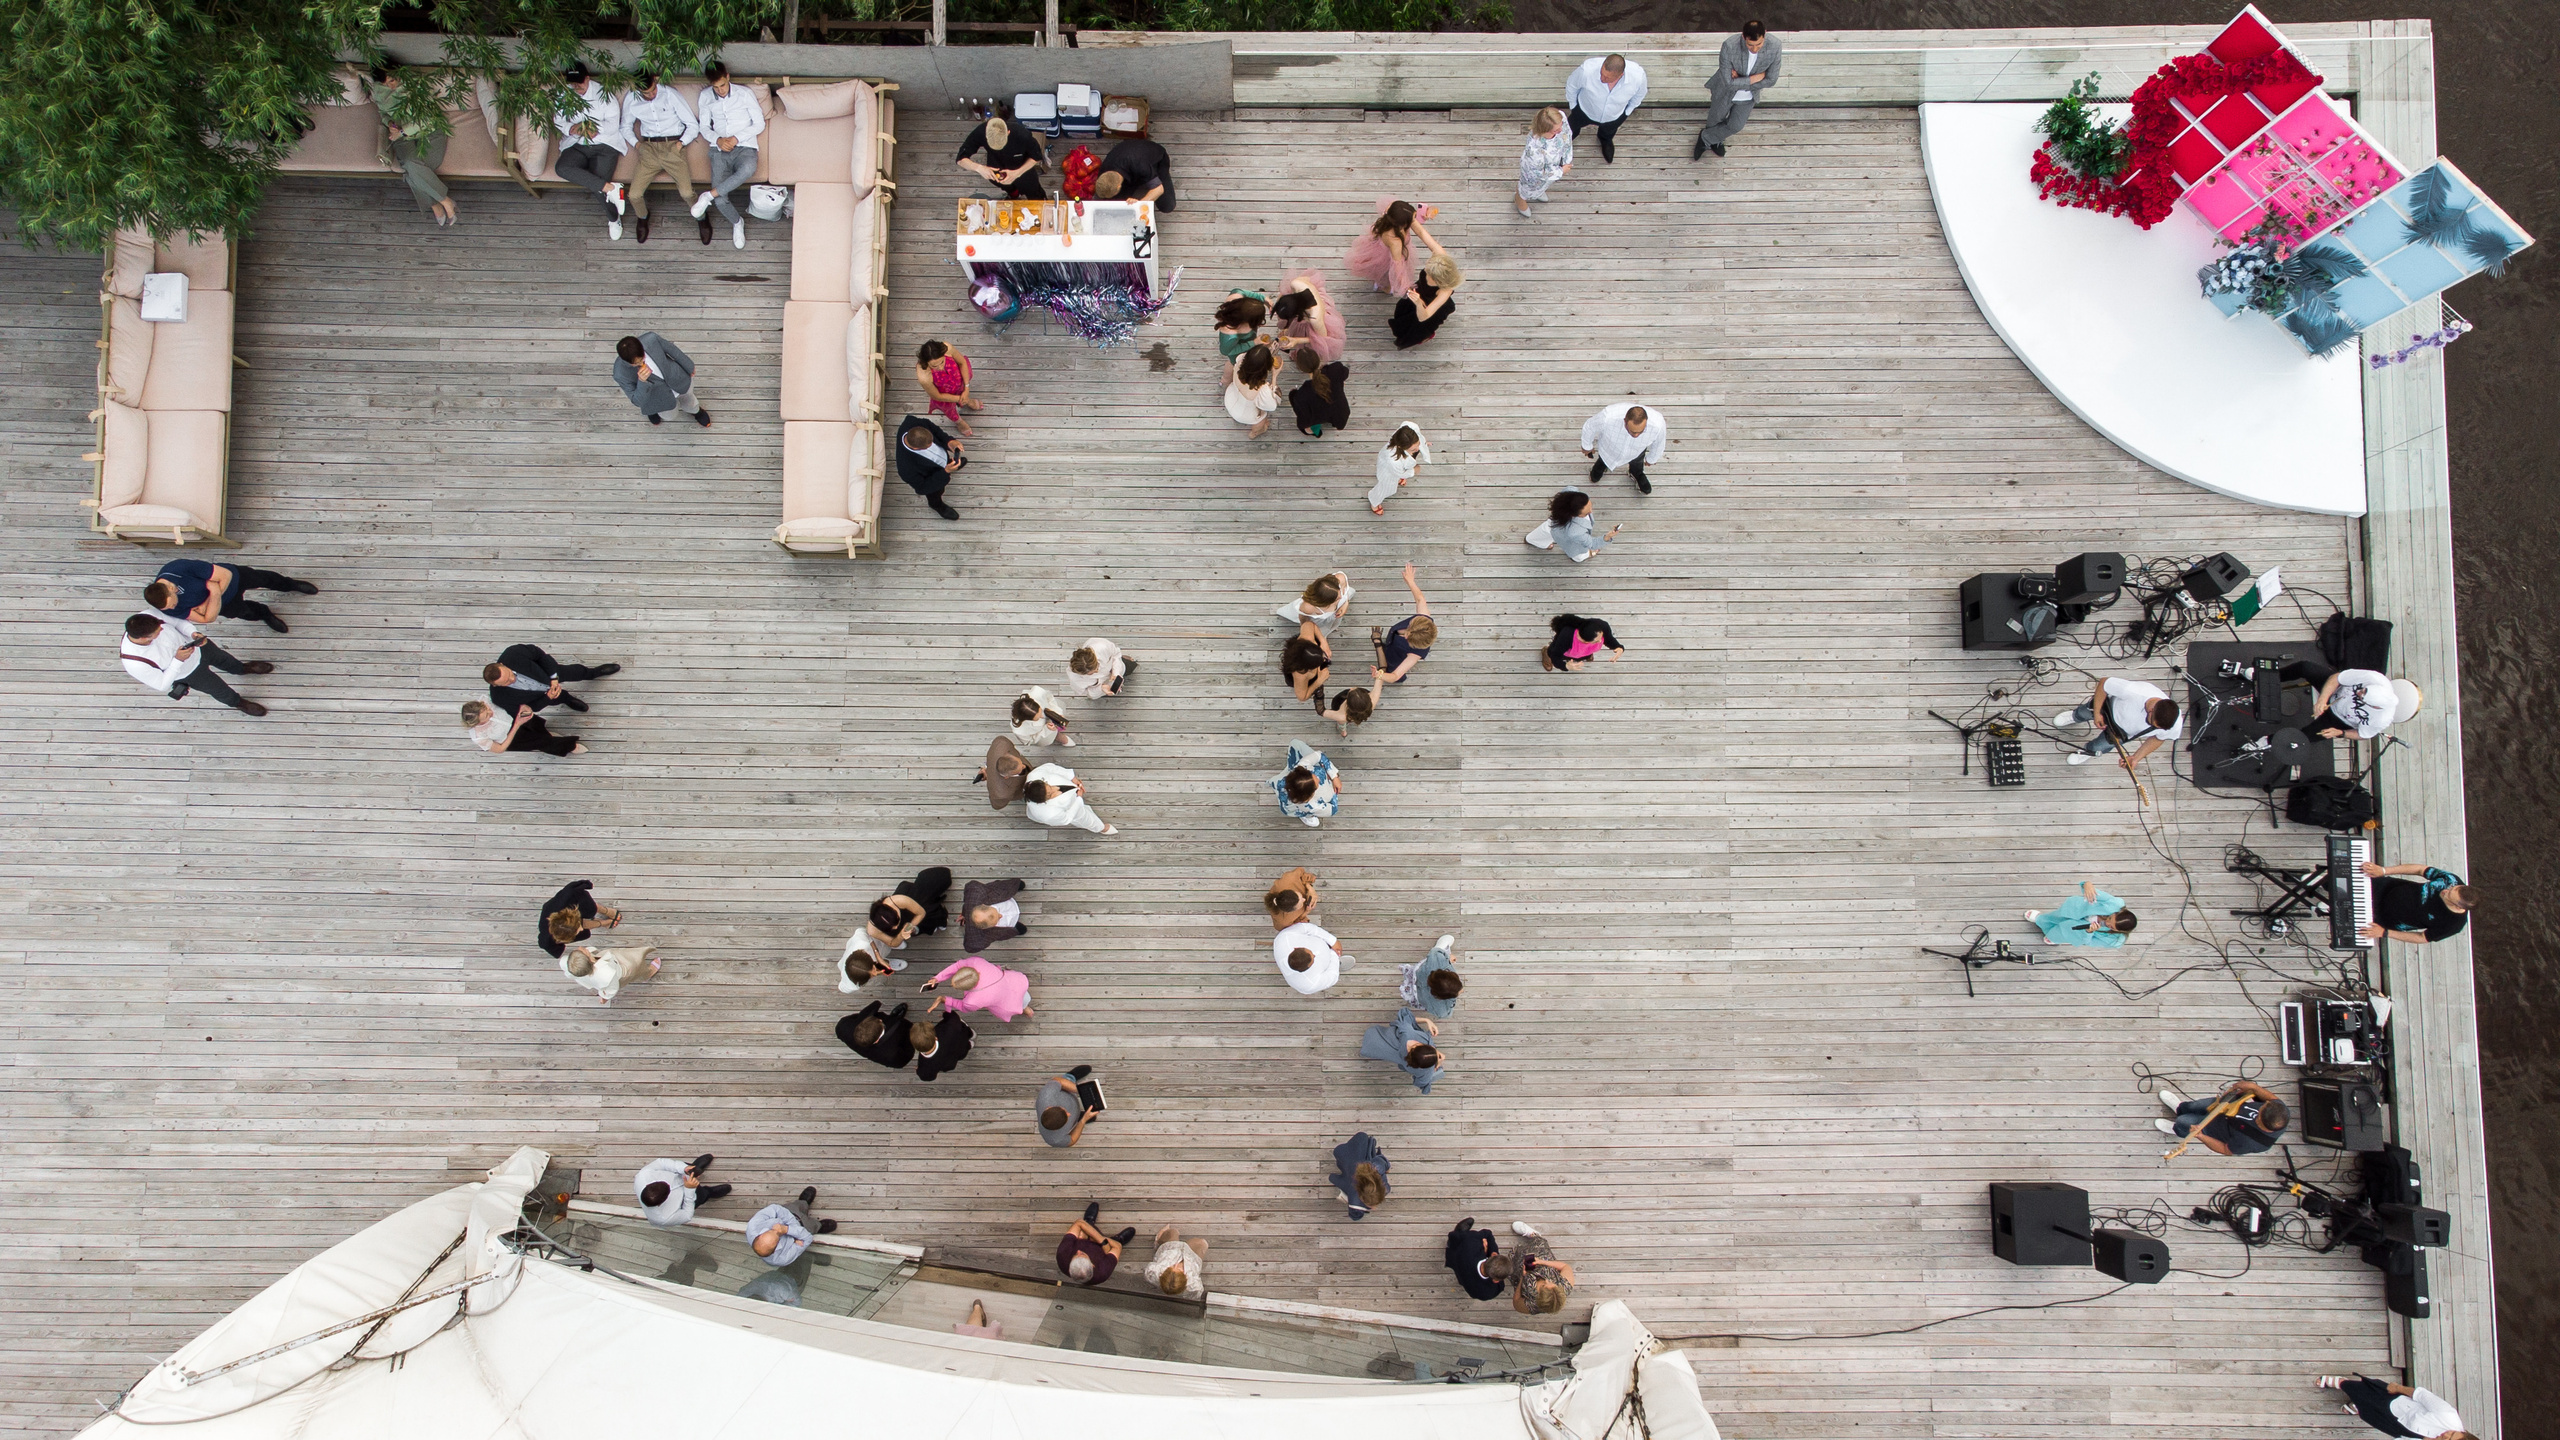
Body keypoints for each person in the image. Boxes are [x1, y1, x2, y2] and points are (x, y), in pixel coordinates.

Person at [363, 62, 458, 226]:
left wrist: (401, 131)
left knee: (411, 168)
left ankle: (438, 203)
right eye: (385, 83)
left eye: (392, 80)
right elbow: (383, 113)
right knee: (412, 165)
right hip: (402, 136)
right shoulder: (379, 91)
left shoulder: (416, 85)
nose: (390, 86)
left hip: (429, 132)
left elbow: (428, 118)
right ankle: (443, 202)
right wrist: (390, 123)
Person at [120, 613, 270, 716]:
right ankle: (239, 703)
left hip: (199, 647)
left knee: (225, 659)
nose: (162, 630)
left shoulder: (151, 616)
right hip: (189, 674)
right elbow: (161, 684)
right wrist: (178, 660)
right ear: (143, 638)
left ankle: (242, 668)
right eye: (157, 632)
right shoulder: (134, 662)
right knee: (219, 689)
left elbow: (178, 621)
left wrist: (193, 633)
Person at [617, 72, 701, 243]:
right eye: (646, 93)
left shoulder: (670, 94)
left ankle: (701, 216)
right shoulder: (632, 98)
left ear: (655, 81)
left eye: (653, 90)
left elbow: (692, 124)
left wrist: (680, 144)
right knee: (633, 195)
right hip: (648, 148)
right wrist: (638, 145)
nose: (651, 95)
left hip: (673, 146)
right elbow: (625, 126)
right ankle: (643, 217)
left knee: (686, 192)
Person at [690, 61, 764, 249]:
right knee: (721, 200)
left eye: (722, 85)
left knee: (749, 168)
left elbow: (759, 124)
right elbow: (704, 127)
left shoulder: (744, 94)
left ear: (728, 77)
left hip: (744, 146)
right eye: (716, 87)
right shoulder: (705, 97)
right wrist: (718, 140)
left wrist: (736, 138)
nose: (721, 91)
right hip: (719, 149)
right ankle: (737, 222)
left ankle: (708, 196)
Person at [552, 65, 631, 239]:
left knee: (597, 186)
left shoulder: (604, 94)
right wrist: (571, 128)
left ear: (587, 78)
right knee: (562, 168)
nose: (576, 87)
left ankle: (613, 218)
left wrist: (595, 129)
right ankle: (611, 189)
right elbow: (558, 120)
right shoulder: (564, 94)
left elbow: (613, 124)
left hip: (605, 144)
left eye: (579, 83)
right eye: (573, 84)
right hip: (578, 144)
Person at [144, 558, 317, 635]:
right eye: (168, 609)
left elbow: (225, 575)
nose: (173, 609)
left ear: (172, 588)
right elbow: (207, 619)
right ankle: (265, 614)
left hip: (235, 578)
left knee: (264, 579)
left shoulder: (178, 569)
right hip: (223, 603)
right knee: (248, 613)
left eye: (172, 605)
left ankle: (290, 584)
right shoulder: (166, 607)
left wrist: (206, 606)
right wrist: (214, 591)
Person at [1695, 22, 1782, 160]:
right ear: (1743, 37)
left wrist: (1740, 80)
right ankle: (1714, 140)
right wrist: (1754, 79)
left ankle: (1706, 138)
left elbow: (1772, 80)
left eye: (1759, 44)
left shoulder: (1775, 46)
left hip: (1748, 97)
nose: (1755, 49)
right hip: (1724, 91)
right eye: (1750, 45)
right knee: (1715, 119)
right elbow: (1728, 83)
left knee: (1736, 125)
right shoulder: (1729, 45)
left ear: (1765, 34)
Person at [2056, 677, 2182, 768]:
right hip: (2106, 710)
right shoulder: (2133, 691)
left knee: (2098, 747)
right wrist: (2097, 713)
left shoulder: (2173, 724)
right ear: (2150, 710)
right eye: (2151, 723)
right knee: (2083, 712)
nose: (2152, 727)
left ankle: (2086, 752)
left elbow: (2159, 738)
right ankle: (2074, 717)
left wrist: (2136, 757)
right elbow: (2104, 683)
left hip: (2120, 734)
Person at [2155, 1080, 2288, 1155]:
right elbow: (2272, 1099)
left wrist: (2202, 1136)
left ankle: (2176, 1129)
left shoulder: (2251, 1143)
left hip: (2213, 1128)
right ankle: (2179, 1107)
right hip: (2224, 1105)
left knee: (2184, 1122)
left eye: (2261, 1111)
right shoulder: (2280, 1111)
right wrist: (2253, 1087)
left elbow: (2226, 1149)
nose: (2261, 1106)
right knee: (2194, 1106)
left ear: (2260, 1121)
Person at [2314, 1375, 2470, 1438]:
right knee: (2362, 1391)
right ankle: (2343, 1383)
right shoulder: (2448, 1415)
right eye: (2451, 1434)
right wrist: (2398, 1388)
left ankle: (2358, 1407)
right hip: (2398, 1405)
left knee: (2369, 1415)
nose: (2445, 1436)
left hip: (2397, 1428)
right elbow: (2421, 1395)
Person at [485, 645, 619, 716]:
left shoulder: (513, 653)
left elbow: (539, 654)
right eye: (507, 682)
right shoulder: (500, 698)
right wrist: (548, 698)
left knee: (576, 672)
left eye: (510, 674)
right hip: (543, 696)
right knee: (559, 698)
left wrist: (553, 677)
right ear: (495, 685)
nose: (513, 679)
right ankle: (568, 700)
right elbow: (528, 709)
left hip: (548, 672)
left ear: (502, 664)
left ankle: (594, 672)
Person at [2362, 862, 2476, 944]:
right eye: (2451, 889)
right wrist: (2383, 870)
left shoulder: (2454, 924)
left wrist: (2384, 933)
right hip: (2385, 888)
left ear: (2457, 906)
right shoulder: (2451, 880)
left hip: (2382, 920)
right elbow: (2421, 870)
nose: (2445, 891)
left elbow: (2422, 937)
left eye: (2448, 896)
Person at [614, 332, 711, 428]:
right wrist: (642, 382)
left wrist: (689, 366)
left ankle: (697, 412)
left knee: (690, 400)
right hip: (657, 397)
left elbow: (672, 350)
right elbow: (637, 401)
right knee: (670, 415)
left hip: (677, 378)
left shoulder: (651, 339)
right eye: (636, 363)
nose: (642, 363)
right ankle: (652, 411)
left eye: (642, 357)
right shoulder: (620, 373)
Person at [1564, 53, 1647, 164]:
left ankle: (1605, 140)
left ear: (1620, 75)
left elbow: (1639, 95)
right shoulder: (1586, 70)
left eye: (1607, 78)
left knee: (1608, 132)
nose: (1602, 78)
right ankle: (1566, 142)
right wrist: (1573, 106)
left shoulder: (1638, 77)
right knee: (1571, 127)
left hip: (1614, 116)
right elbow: (1571, 86)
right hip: (1584, 110)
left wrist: (1626, 112)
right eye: (1602, 73)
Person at [1345, 199, 1440, 295]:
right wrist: (1406, 287)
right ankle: (1383, 285)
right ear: (1403, 224)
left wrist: (1426, 213)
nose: (1415, 220)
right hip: (1387, 257)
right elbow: (1398, 268)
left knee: (1382, 272)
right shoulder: (1395, 242)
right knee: (1385, 274)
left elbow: (1419, 229)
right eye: (1413, 218)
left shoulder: (1392, 211)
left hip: (1384, 248)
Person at [2301, 666, 2420, 741]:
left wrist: (2341, 733)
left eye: (2362, 696)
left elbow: (2363, 734)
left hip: (2339, 720)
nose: (2358, 692)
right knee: (2304, 667)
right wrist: (2322, 699)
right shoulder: (2374, 678)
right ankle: (2281, 677)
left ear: (2373, 705)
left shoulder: (2382, 719)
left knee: (2301, 739)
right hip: (2336, 689)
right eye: (2363, 690)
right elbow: (2337, 677)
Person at [867, 867, 953, 964]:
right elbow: (891, 943)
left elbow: (921, 913)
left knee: (928, 911)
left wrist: (908, 927)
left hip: (912, 906)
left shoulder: (899, 900)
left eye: (897, 922)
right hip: (898, 927)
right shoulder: (872, 930)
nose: (896, 927)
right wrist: (900, 935)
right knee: (897, 937)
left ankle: (935, 921)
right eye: (892, 927)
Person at [1581, 402, 1668, 494]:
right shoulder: (1608, 417)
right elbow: (1590, 427)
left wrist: (1652, 459)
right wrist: (1587, 446)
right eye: (1632, 431)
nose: (1636, 435)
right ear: (1625, 421)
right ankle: (1601, 466)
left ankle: (1636, 474)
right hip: (1608, 448)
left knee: (1637, 464)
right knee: (1603, 460)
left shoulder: (1658, 425)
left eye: (1641, 431)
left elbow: (1659, 443)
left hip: (1637, 451)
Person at [957, 114, 1047, 199]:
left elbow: (1036, 156)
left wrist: (1017, 173)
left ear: (1008, 132)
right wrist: (979, 168)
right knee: (1003, 185)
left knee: (1034, 191)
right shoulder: (980, 132)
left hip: (1022, 169)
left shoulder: (1022, 135)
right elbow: (960, 159)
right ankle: (1013, 194)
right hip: (997, 167)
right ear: (986, 136)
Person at [894, 415, 966, 521]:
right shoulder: (906, 468)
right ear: (915, 448)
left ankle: (952, 463)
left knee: (952, 462)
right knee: (935, 494)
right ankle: (937, 506)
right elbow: (923, 487)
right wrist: (945, 472)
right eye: (928, 447)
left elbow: (934, 430)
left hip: (942, 462)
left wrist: (949, 441)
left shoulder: (912, 422)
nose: (932, 445)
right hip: (934, 478)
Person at [747, 1187, 840, 1267]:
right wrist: (787, 1229)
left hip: (789, 1213)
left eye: (770, 1230)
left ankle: (803, 1202)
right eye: (777, 1236)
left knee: (797, 1206)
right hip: (803, 1228)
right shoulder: (781, 1259)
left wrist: (793, 1225)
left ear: (759, 1236)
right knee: (811, 1227)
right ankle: (819, 1226)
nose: (777, 1229)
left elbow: (775, 1208)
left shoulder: (753, 1226)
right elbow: (807, 1238)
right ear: (775, 1249)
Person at [1373, 566, 1436, 683]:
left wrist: (1380, 675)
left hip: (1396, 655)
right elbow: (1420, 599)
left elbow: (1395, 676)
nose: (1405, 636)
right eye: (1407, 631)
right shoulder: (1423, 618)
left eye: (1408, 638)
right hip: (1393, 645)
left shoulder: (1416, 653)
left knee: (1391, 664)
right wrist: (1411, 582)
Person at [2027, 881, 2136, 947]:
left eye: (2111, 926)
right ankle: (2041, 919)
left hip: (2079, 931)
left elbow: (2088, 942)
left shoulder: (2115, 940)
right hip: (2076, 911)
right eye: (2110, 918)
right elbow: (2093, 891)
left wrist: (2089, 932)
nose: (2107, 922)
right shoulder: (2115, 904)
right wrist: (2087, 885)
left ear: (2119, 931)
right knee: (2057, 916)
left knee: (2062, 933)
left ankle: (2054, 938)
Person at [1360, 1007, 1443, 1093]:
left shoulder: (1408, 1033)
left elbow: (1406, 1018)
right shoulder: (1423, 1071)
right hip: (1401, 1059)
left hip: (1381, 1039)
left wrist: (1427, 1020)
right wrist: (1437, 1064)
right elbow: (1422, 1083)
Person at [1271, 271, 1346, 366]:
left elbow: (1323, 338)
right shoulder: (1296, 284)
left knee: (1309, 346)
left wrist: (1297, 340)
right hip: (1306, 310)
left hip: (1318, 325)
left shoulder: (1315, 318)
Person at [1390, 253, 1462, 351]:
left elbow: (1423, 317)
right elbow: (1426, 238)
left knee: (1416, 329)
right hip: (1416, 296)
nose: (1426, 270)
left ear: (1437, 278)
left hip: (1426, 307)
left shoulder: (1445, 290)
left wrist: (1418, 302)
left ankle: (1424, 337)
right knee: (1402, 315)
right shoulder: (1438, 262)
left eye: (1428, 272)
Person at [463, 698, 582, 757]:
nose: (490, 713)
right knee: (542, 743)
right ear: (477, 723)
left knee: (539, 729)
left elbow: (506, 699)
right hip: (513, 738)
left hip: (518, 718)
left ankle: (550, 736)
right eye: (486, 717)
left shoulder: (485, 700)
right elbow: (500, 749)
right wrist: (516, 725)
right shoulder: (479, 736)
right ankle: (569, 746)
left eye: (486, 710)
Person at [922, 960, 1034, 1022]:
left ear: (969, 989)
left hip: (1006, 1003)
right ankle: (1027, 1010)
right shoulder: (977, 963)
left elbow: (962, 1007)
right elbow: (959, 965)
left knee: (1018, 1005)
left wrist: (945, 1000)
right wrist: (937, 978)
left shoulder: (972, 1001)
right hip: (1014, 983)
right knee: (1025, 998)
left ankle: (1025, 1010)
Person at [635, 1154, 729, 1226]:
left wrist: (684, 1168)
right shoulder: (664, 1218)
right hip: (686, 1198)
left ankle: (694, 1167)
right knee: (702, 1195)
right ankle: (709, 1192)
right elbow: (687, 1215)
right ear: (662, 1201)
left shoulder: (643, 1176)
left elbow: (661, 1163)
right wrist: (689, 1190)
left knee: (688, 1168)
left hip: (679, 1173)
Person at [1025, 762, 1118, 834]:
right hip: (1072, 809)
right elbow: (1068, 817)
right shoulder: (1049, 813)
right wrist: (1079, 799)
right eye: (1050, 794)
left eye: (1049, 785)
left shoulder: (1034, 775)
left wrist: (1073, 778)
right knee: (1085, 818)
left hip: (1073, 794)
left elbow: (1052, 768)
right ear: (1043, 801)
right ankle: (1100, 828)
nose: (1055, 788)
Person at [1516, 106, 1574, 218]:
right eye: (1556, 130)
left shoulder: (1560, 118)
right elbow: (1539, 173)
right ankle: (1519, 199)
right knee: (1526, 189)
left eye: (1560, 126)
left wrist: (1567, 159)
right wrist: (1561, 171)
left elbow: (1567, 135)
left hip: (1553, 165)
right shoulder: (1534, 150)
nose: (1560, 130)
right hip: (1534, 173)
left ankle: (1538, 192)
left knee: (1543, 186)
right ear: (1544, 130)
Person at [1057, 1202, 1136, 1285]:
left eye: (1076, 1255)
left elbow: (1078, 1223)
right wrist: (1103, 1243)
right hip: (1102, 1248)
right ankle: (1117, 1239)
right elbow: (1118, 1247)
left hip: (1086, 1238)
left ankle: (1089, 1222)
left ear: (1070, 1269)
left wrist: (1100, 1239)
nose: (1078, 1251)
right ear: (1092, 1265)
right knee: (1115, 1245)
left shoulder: (1062, 1255)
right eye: (1082, 1254)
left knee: (1080, 1232)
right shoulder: (1102, 1272)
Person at [1508, 1222, 1577, 1315]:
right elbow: (1565, 1267)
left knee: (1512, 1263)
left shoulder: (1532, 1305)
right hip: (1544, 1265)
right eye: (1552, 1283)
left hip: (1523, 1277)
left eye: (1544, 1285)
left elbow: (1516, 1302)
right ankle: (1533, 1235)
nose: (1548, 1280)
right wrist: (1542, 1262)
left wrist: (1522, 1277)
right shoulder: (1564, 1287)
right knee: (1541, 1243)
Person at [538, 879, 619, 959]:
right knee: (584, 926)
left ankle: (605, 910)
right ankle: (602, 923)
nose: (581, 930)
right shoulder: (547, 939)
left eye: (578, 927)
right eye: (577, 930)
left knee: (591, 909)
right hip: (566, 923)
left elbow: (575, 890)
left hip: (573, 903)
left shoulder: (568, 897)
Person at [1091, 135, 1175, 209]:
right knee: (1116, 201)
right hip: (1130, 161)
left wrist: (1139, 205)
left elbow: (1158, 189)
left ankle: (1154, 177)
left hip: (1155, 162)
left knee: (1167, 206)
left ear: (1118, 187)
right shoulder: (1105, 169)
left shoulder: (1140, 165)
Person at [916, 339, 980, 436]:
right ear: (926, 363)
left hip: (958, 380)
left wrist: (966, 388)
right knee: (949, 409)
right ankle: (959, 422)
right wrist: (960, 399)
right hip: (944, 394)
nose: (940, 367)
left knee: (963, 392)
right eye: (934, 366)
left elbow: (962, 363)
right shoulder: (924, 375)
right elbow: (937, 396)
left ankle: (968, 400)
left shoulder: (947, 348)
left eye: (942, 362)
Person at [1537, 489, 1620, 564]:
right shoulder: (1576, 532)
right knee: (1578, 554)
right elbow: (1592, 544)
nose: (1591, 511)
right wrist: (1607, 537)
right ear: (1574, 515)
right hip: (1568, 539)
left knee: (1546, 528)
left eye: (1590, 505)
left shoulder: (1570, 491)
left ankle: (1531, 539)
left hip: (1556, 522)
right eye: (1587, 513)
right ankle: (1579, 558)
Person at [1272, 741, 1342, 827]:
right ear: (1309, 796)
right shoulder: (1312, 806)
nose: (1319, 779)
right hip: (1298, 807)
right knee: (1307, 811)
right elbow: (1333, 809)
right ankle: (1308, 816)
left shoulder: (1302, 765)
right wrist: (1334, 793)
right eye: (1316, 786)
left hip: (1289, 800)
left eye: (1312, 775)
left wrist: (1334, 776)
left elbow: (1319, 755)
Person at [562, 943, 659, 1004]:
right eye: (584, 951)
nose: (581, 947)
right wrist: (604, 997)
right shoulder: (607, 975)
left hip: (612, 960)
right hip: (623, 970)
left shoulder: (571, 965)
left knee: (629, 955)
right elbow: (612, 990)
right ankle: (647, 973)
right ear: (590, 960)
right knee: (636, 964)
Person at [1273, 918, 1348, 995]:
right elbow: (1332, 976)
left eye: (1310, 951)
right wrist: (1334, 954)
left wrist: (1332, 941)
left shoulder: (1284, 937)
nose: (1314, 955)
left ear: (1296, 948)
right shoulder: (1309, 985)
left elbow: (1306, 927)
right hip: (1331, 960)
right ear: (1306, 968)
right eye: (1313, 958)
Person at [1288, 347, 1351, 438]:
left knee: (1305, 427)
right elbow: (1345, 372)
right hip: (1341, 415)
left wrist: (1292, 395)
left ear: (1301, 369)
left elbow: (1303, 420)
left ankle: (1316, 432)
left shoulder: (1302, 394)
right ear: (1318, 359)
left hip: (1320, 415)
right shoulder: (1335, 369)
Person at [1220, 344, 1280, 439]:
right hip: (1247, 415)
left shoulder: (1240, 363)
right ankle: (1254, 433)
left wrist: (1267, 352)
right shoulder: (1262, 389)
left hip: (1230, 399)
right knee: (1261, 420)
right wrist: (1274, 376)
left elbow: (1252, 360)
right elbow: (1271, 406)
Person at [1368, 425, 1430, 515]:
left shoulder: (1404, 435)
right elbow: (1400, 472)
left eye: (1418, 444)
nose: (1417, 449)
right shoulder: (1393, 461)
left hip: (1398, 467)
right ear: (1402, 447)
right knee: (1384, 488)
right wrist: (1414, 470)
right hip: (1389, 472)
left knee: (1399, 473)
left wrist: (1423, 445)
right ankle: (1374, 502)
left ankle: (1398, 480)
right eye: (1413, 449)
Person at [836, 999, 916, 1069]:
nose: (881, 1020)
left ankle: (893, 1017)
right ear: (877, 1040)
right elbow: (907, 1055)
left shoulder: (843, 1027)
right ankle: (894, 1018)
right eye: (881, 1022)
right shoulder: (893, 1055)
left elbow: (855, 1017)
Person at [1330, 1132, 1390, 1220]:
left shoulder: (1379, 1171)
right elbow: (1332, 1178)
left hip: (1351, 1155)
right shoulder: (1352, 1189)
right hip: (1347, 1155)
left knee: (1362, 1136)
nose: (1374, 1207)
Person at [1401, 934, 1464, 1019]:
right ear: (1441, 997)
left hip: (1421, 974)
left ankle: (1442, 950)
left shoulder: (1436, 958)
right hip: (1421, 992)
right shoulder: (1441, 1009)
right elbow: (1447, 1014)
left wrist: (1447, 957)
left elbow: (1435, 952)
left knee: (1438, 951)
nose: (1462, 990)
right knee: (1441, 949)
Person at [1037, 1065, 1102, 1147]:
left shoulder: (1045, 1097)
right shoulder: (1055, 1140)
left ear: (1048, 1108)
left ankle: (1071, 1076)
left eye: (1064, 1111)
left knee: (1066, 1080)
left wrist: (1080, 1091)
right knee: (1081, 1117)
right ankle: (1079, 1117)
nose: (1069, 1114)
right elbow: (1072, 1140)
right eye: (1067, 1117)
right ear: (1057, 1129)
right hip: (1072, 1104)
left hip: (1067, 1092)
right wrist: (1083, 1121)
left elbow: (1057, 1081)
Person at [1446, 1217, 1508, 1300]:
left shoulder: (1470, 1245)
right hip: (1469, 1283)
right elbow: (1501, 1286)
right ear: (1496, 1280)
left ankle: (1457, 1235)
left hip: (1458, 1259)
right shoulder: (1487, 1293)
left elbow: (1487, 1234)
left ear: (1493, 1256)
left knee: (1458, 1238)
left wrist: (1488, 1250)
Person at [1544, 614, 1626, 673]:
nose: (1601, 641)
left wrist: (1618, 647)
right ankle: (1546, 654)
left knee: (1582, 656)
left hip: (1583, 652)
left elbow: (1609, 639)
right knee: (1550, 653)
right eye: (1596, 641)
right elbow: (1556, 656)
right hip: (1566, 653)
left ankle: (1586, 655)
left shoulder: (1601, 626)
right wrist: (1565, 666)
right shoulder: (1566, 636)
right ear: (1585, 641)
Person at [912, 1006, 975, 1082]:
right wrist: (946, 1014)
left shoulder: (926, 1065)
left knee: (965, 1048)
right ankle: (971, 1034)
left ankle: (970, 1044)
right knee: (965, 1033)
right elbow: (954, 1018)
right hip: (960, 1039)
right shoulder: (948, 1028)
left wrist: (919, 1071)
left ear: (916, 1048)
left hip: (957, 1056)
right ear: (935, 1038)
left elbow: (926, 1077)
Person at [963, 877, 1030, 949]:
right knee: (1018, 929)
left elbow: (971, 886)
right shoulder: (978, 937)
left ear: (983, 905)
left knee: (1015, 885)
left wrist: (965, 912)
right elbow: (970, 947)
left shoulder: (975, 894)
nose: (1001, 915)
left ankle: (1016, 886)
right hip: (1007, 924)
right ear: (985, 928)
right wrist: (967, 917)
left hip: (1005, 899)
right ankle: (1014, 928)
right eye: (997, 919)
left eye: (997, 913)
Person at [1278, 571, 1355, 632]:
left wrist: (1346, 603)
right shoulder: (1308, 607)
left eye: (1339, 592)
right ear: (1323, 601)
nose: (1341, 597)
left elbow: (1346, 593)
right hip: (1320, 621)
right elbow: (1305, 621)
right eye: (1336, 599)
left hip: (1335, 615)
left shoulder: (1340, 578)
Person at [1146, 1226, 1207, 1298]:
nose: (1176, 1265)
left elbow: (1149, 1270)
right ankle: (1162, 1239)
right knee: (1202, 1243)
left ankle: (1160, 1239)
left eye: (1171, 1267)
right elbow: (1197, 1292)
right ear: (1186, 1278)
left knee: (1173, 1232)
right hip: (1191, 1258)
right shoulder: (1193, 1285)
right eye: (1180, 1270)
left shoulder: (1155, 1272)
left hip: (1171, 1249)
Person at [1066, 638, 1133, 700]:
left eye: (1097, 667)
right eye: (1092, 673)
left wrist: (1115, 673)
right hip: (1100, 689)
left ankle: (1126, 660)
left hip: (1116, 668)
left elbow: (1116, 654)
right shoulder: (1075, 679)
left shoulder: (1102, 647)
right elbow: (1085, 692)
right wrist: (1101, 688)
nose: (1097, 671)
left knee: (1129, 667)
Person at [1009, 685, 1074, 748]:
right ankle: (1060, 737)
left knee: (1061, 722)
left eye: (1040, 711)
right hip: (1043, 733)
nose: (1043, 716)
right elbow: (1031, 741)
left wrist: (1056, 712)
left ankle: (1059, 730)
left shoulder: (1037, 693)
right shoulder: (1020, 730)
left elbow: (1050, 698)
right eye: (1037, 718)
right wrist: (1047, 730)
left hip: (1052, 713)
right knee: (1054, 734)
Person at [1282, 623, 1332, 704]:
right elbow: (1302, 697)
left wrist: (1323, 641)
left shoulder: (1307, 638)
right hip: (1304, 676)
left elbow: (1309, 624)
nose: (1324, 659)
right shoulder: (1300, 675)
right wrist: (1318, 681)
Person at [977, 735, 1031, 809]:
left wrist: (988, 769)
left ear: (1008, 755)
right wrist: (989, 773)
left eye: (1020, 762)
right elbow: (997, 805)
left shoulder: (1001, 744)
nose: (1024, 766)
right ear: (1006, 777)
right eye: (1020, 769)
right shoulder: (1001, 793)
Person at [1214, 290, 1270, 362]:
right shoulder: (1231, 336)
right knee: (1232, 366)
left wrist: (1263, 298)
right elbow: (1226, 351)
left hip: (1248, 347)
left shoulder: (1235, 301)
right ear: (1246, 321)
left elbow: (1240, 291)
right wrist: (1253, 343)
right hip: (1238, 357)